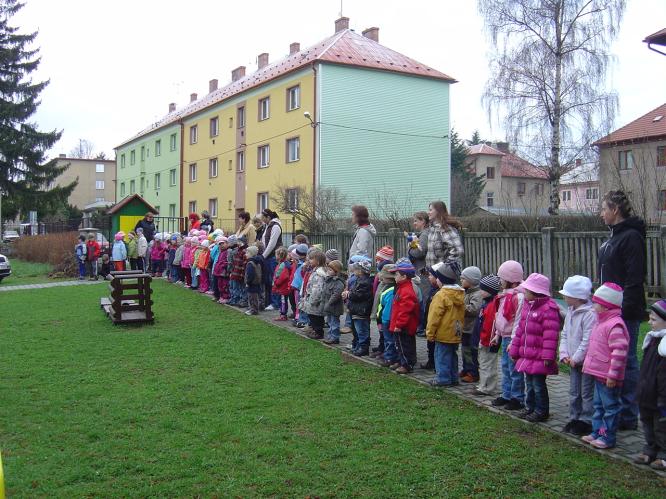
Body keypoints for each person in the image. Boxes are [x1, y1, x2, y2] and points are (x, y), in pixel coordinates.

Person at [598, 190, 646, 431]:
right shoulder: (612, 238)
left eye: (604, 209)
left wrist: (623, 311)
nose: (601, 214)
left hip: (625, 312)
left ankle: (628, 415)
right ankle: (613, 409)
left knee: (626, 361)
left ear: (615, 210)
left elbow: (635, 279)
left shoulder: (631, 238)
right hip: (608, 312)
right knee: (612, 361)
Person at [581, 283, 630, 450]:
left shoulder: (615, 325)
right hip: (598, 374)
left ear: (605, 306)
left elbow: (619, 353)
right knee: (599, 406)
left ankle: (607, 436)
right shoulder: (600, 322)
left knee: (610, 407)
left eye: (596, 303)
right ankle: (597, 432)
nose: (593, 306)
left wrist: (613, 375)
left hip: (608, 377)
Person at [509, 273, 560, 423]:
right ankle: (529, 407)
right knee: (529, 384)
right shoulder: (527, 305)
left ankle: (541, 411)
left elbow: (551, 335)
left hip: (539, 356)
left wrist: (548, 356)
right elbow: (520, 330)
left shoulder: (548, 309)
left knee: (538, 385)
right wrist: (515, 350)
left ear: (536, 292)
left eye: (527, 291)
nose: (524, 293)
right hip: (527, 355)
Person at [559, 275, 596, 436]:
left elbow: (588, 340)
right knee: (574, 391)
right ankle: (574, 417)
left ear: (577, 297)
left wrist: (577, 358)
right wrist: (564, 353)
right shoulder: (570, 312)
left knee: (586, 392)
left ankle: (586, 420)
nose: (564, 297)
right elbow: (565, 334)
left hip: (585, 362)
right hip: (572, 360)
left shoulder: (590, 314)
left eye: (567, 295)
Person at [634, 299, 666, 470]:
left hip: (660, 397)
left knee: (661, 427)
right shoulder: (652, 340)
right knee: (647, 424)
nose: (649, 322)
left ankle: (663, 455)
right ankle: (650, 450)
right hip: (646, 393)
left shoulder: (664, 346)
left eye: (654, 320)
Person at [490, 260, 526, 411]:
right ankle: (506, 394)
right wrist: (497, 334)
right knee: (505, 367)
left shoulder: (519, 297)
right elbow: (501, 317)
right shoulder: (505, 295)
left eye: (502, 278)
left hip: (513, 339)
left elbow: (518, 321)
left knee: (514, 369)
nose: (499, 281)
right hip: (504, 336)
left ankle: (517, 397)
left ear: (511, 280)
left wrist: (514, 341)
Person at [426, 261, 465, 386]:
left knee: (441, 356)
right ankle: (453, 377)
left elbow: (434, 316)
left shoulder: (441, 295)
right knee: (453, 355)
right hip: (455, 332)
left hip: (443, 333)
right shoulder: (460, 294)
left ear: (441, 280)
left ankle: (442, 378)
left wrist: (430, 333)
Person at [387, 260, 421, 374]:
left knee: (404, 346)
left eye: (396, 274)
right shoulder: (401, 287)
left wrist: (399, 324)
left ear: (404, 276)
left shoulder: (406, 291)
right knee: (400, 345)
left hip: (404, 326)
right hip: (400, 324)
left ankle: (407, 364)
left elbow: (405, 311)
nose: (394, 276)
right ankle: (401, 361)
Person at [473, 274, 502, 396]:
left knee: (487, 364)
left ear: (490, 291)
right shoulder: (487, 303)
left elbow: (490, 325)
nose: (480, 291)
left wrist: (485, 341)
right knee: (485, 363)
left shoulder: (491, 306)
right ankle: (485, 384)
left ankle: (486, 388)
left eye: (482, 289)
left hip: (487, 341)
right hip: (484, 339)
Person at [406, 211, 430, 337]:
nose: (414, 223)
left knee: (423, 299)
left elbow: (419, 253)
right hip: (421, 271)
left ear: (423, 221)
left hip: (422, 272)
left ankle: (421, 327)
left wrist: (410, 248)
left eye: (416, 220)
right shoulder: (421, 235)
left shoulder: (424, 235)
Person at [344, 259, 374, 356]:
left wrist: (348, 294)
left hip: (361, 310)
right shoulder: (359, 280)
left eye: (356, 269)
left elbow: (358, 295)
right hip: (356, 310)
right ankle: (357, 346)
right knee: (357, 330)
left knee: (361, 330)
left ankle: (363, 348)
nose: (354, 271)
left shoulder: (365, 282)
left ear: (361, 271)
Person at [460, 266, 483, 383]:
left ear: (472, 281)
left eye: (463, 279)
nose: (461, 280)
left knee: (471, 351)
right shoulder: (466, 292)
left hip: (472, 329)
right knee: (464, 351)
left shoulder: (477, 294)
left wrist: (460, 307)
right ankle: (466, 369)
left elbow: (474, 309)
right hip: (465, 328)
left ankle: (473, 373)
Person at [425, 201, 463, 269]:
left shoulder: (446, 229)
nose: (428, 212)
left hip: (444, 276)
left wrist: (444, 268)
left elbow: (458, 251)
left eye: (430, 210)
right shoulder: (432, 229)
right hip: (433, 274)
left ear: (438, 211)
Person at [260, 209, 283, 311]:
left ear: (268, 217)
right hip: (268, 257)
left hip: (273, 257)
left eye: (263, 217)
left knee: (274, 280)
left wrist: (263, 256)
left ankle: (275, 303)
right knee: (268, 281)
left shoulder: (275, 226)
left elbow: (272, 243)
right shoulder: (268, 226)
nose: (262, 219)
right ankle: (269, 301)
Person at [303, 250, 328, 340]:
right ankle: (314, 330)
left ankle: (318, 332)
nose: (309, 260)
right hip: (313, 299)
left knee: (316, 317)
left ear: (317, 260)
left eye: (311, 259)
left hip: (317, 301)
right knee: (313, 316)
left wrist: (313, 300)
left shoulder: (319, 273)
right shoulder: (315, 271)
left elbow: (318, 288)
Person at [322, 260, 346, 345]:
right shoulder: (329, 280)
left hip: (335, 306)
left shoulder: (338, 282)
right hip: (328, 305)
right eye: (328, 269)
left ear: (336, 271)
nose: (328, 271)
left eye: (330, 270)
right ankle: (330, 336)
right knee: (329, 322)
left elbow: (336, 294)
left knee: (334, 322)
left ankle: (335, 337)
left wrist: (329, 303)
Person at [271, 247, 292, 321]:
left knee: (283, 301)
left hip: (283, 287)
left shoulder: (283, 265)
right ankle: (282, 313)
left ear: (279, 255)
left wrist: (276, 282)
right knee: (282, 301)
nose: (275, 256)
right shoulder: (281, 264)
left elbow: (283, 276)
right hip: (281, 287)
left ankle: (283, 315)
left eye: (276, 254)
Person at [244, 245, 263, 315]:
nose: (246, 254)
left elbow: (250, 275)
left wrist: (248, 282)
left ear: (251, 254)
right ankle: (252, 309)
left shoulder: (250, 263)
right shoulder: (257, 262)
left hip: (252, 283)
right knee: (253, 297)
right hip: (256, 282)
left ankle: (254, 310)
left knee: (252, 297)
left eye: (247, 253)